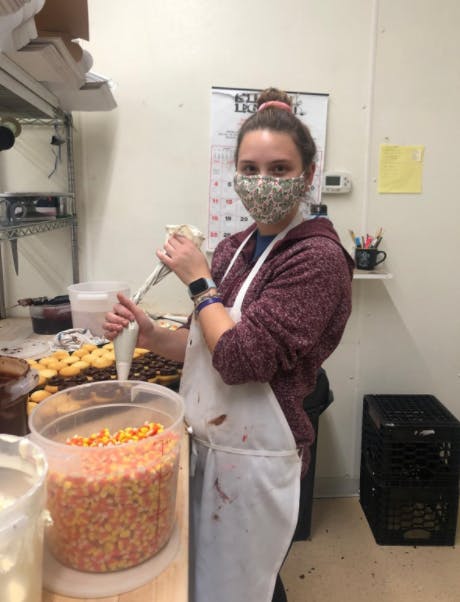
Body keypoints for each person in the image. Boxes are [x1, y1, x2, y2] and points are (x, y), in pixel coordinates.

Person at [103, 87, 354, 602]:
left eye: (280, 170)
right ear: (235, 173)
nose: (263, 183)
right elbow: (207, 346)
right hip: (208, 441)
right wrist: (150, 334)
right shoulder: (234, 247)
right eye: (250, 168)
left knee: (242, 585)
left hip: (259, 455)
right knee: (205, 574)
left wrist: (199, 282)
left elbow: (241, 359)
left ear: (308, 174)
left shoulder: (318, 260)